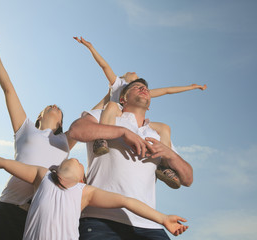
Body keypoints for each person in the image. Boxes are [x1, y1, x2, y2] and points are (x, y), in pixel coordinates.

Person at [0, 153, 189, 240]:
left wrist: (163, 218)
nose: (74, 159)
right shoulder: (42, 176)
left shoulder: (85, 192)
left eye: (79, 162)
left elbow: (127, 201)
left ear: (83, 178)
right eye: (69, 159)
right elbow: (3, 162)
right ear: (57, 168)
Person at [0, 31, 76, 240]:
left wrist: (116, 88)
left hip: (41, 213)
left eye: (59, 109)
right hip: (9, 207)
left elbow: (90, 118)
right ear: (39, 116)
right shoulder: (26, 128)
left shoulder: (65, 140)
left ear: (60, 123)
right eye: (49, 106)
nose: (55, 106)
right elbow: (9, 90)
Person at [68, 78, 193, 239]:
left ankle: (164, 167)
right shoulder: (106, 115)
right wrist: (122, 132)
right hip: (101, 219)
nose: (143, 89)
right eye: (136, 87)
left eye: (146, 88)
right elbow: (76, 131)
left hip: (150, 225)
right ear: (123, 99)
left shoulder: (157, 134)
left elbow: (188, 179)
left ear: (149, 105)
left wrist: (170, 154)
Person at [74, 36, 205, 189]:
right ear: (125, 79)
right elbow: (104, 66)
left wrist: (191, 87)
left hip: (136, 119)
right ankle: (101, 138)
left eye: (144, 87)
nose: (134, 73)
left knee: (164, 128)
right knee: (111, 106)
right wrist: (90, 47)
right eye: (131, 73)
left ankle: (163, 166)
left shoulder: (143, 90)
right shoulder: (118, 84)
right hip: (117, 113)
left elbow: (167, 91)